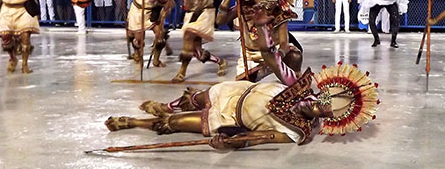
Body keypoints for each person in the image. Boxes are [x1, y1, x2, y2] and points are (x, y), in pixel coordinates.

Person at [104, 64, 378, 149]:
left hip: (228, 117)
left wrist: (231, 142)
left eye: (320, 111)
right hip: (235, 92)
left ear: (327, 119)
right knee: (195, 98)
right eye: (319, 100)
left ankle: (134, 122)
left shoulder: (299, 132)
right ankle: (167, 105)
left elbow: (261, 138)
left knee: (175, 125)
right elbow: (276, 60)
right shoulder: (300, 86)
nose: (314, 106)